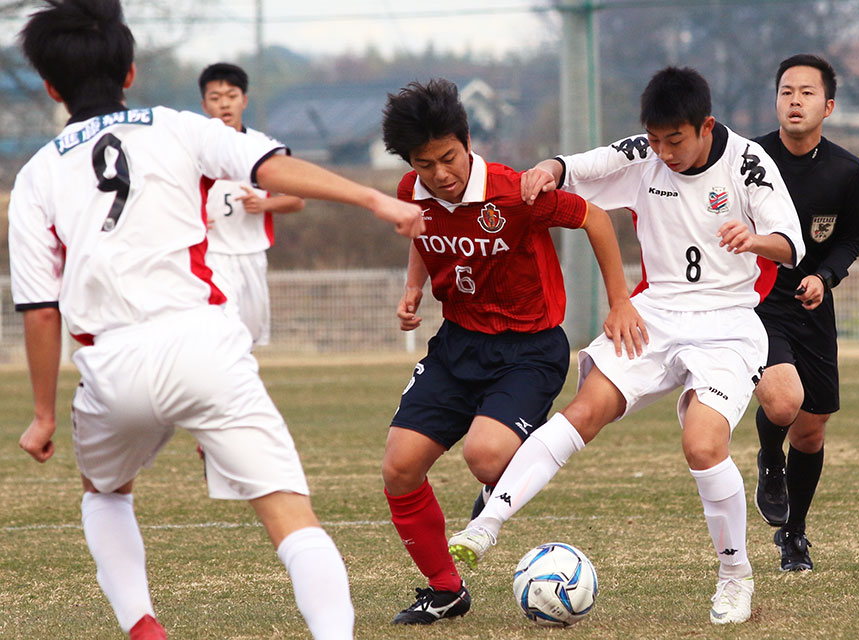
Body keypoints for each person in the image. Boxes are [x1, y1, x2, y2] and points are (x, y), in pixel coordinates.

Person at [9, 2, 423, 639]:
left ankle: (144, 626)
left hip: (111, 363)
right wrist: (372, 197)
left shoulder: (37, 176)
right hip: (204, 345)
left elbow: (40, 310)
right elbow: (269, 167)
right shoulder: (177, 126)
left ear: (51, 88)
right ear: (130, 73)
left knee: (103, 490)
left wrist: (41, 416)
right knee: (290, 513)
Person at [447, 67, 806, 625]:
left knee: (703, 445)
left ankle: (735, 578)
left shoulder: (748, 164)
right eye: (655, 140)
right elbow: (585, 167)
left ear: (705, 126)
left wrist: (754, 238)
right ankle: (486, 524)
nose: (663, 153)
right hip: (655, 313)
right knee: (584, 410)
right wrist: (549, 167)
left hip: (728, 322)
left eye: (675, 141)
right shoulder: (647, 154)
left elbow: (790, 245)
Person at [379, 78, 644, 625]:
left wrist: (620, 301)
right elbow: (422, 233)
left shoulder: (514, 192)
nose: (440, 175)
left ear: (468, 140)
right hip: (457, 344)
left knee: (487, 456)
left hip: (529, 349)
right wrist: (414, 286)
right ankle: (445, 590)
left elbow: (594, 218)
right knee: (400, 467)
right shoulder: (412, 190)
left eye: (448, 157)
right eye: (424, 164)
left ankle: (502, 486)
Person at [751, 54, 859, 571]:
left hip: (813, 302)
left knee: (812, 428)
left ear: (829, 105)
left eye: (806, 93)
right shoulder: (751, 159)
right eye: (786, 92)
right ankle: (769, 459)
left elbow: (851, 238)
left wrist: (826, 277)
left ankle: (794, 534)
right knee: (782, 404)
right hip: (760, 301)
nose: (794, 101)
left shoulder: (846, 169)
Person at [198, 62, 304, 346]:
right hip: (211, 255)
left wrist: (265, 205)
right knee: (223, 334)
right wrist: (189, 215)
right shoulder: (193, 149)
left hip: (252, 255)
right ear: (204, 104)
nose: (224, 104)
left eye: (231, 96)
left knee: (249, 339)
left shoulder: (263, 148)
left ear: (243, 100)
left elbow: (297, 199)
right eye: (216, 98)